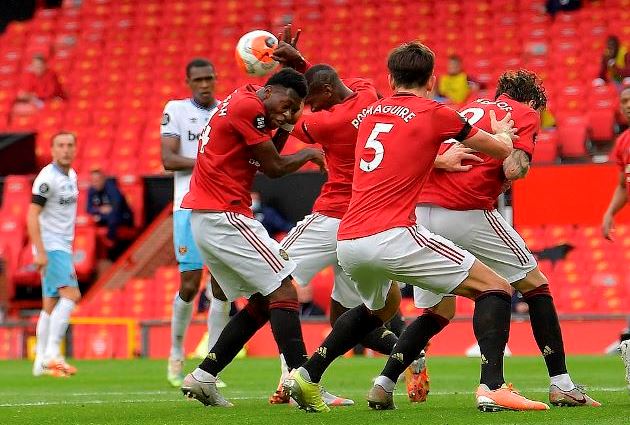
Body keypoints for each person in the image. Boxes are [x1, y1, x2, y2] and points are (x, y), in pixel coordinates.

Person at [283, 42, 548, 413]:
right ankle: (493, 387)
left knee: (382, 308)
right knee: (496, 288)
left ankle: (307, 375)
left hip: (349, 238)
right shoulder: (436, 113)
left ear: (391, 80)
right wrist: (504, 134)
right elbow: (501, 152)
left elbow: (395, 146)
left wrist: (437, 160)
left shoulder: (368, 112)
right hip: (392, 234)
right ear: (432, 80)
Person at [411, 70, 599, 407]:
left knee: (437, 310)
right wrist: (514, 166)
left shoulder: (468, 106)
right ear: (532, 101)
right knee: (534, 285)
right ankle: (559, 383)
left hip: (421, 212)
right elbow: (514, 168)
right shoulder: (524, 113)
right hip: (466, 208)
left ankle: (384, 381)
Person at [179, 67, 327, 407]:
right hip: (224, 215)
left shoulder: (245, 100)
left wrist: (285, 122)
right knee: (285, 289)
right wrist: (309, 153)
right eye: (286, 105)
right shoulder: (248, 106)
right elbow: (274, 168)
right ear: (269, 91)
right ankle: (302, 381)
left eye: (293, 110)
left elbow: (265, 159)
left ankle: (203, 377)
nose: (286, 114)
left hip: (208, 215)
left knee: (263, 301)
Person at [265, 60, 406, 404]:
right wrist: (300, 65)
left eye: (313, 100)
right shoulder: (366, 92)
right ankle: (408, 350)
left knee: (272, 278)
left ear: (327, 92)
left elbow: (282, 114)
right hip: (365, 222)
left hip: (332, 218)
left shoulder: (327, 123)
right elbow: (332, 82)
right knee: (344, 317)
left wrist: (271, 83)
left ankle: (292, 377)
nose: (311, 107)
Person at [160, 58, 230, 388]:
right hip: (187, 207)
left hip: (220, 206)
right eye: (198, 79)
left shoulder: (226, 111)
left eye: (209, 78)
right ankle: (176, 353)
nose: (205, 84)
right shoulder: (175, 109)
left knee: (222, 287)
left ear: (215, 79)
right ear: (189, 82)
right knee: (189, 284)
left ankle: (211, 366)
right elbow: (168, 159)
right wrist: (207, 162)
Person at [28, 132, 80, 377]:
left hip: (62, 245)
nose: (65, 150)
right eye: (60, 145)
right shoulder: (47, 178)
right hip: (51, 245)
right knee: (71, 295)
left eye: (69, 145)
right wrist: (40, 251)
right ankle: (52, 355)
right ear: (52, 150)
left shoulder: (72, 175)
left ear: (75, 149)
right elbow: (32, 214)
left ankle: (39, 362)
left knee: (50, 303)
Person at [602, 86, 630, 385]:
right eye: (624, 100)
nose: (628, 104)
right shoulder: (623, 142)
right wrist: (610, 212)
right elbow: (624, 184)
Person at [87, 168, 133, 247]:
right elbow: (88, 208)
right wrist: (99, 210)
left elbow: (117, 207)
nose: (95, 183)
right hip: (104, 217)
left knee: (113, 216)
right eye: (93, 181)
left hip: (123, 217)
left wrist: (101, 215)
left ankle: (110, 241)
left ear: (103, 179)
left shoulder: (111, 188)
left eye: (97, 180)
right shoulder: (91, 190)